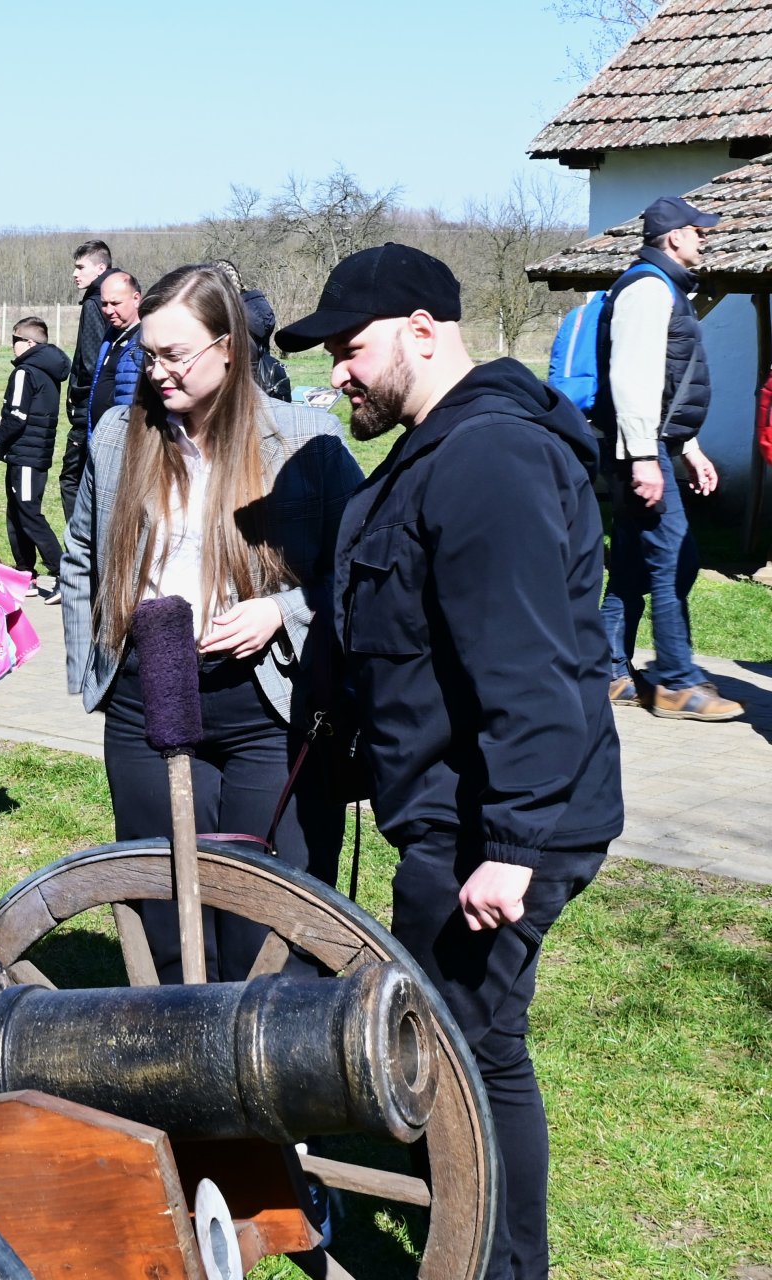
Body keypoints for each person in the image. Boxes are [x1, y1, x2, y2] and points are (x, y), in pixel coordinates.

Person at [277, 242, 623, 1280]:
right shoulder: (439, 449)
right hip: (454, 809)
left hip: (495, 822)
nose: (337, 372)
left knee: (472, 1051)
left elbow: (531, 668)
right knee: (466, 1038)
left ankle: (499, 1262)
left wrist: (510, 845)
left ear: (423, 331)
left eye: (351, 348)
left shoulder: (486, 460)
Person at [59, 264, 361, 982]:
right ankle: (174, 1040)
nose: (156, 372)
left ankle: (263, 1041)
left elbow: (363, 571)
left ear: (228, 348)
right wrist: (98, 670)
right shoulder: (118, 434)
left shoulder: (306, 440)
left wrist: (282, 611)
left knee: (261, 909)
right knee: (163, 899)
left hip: (265, 704)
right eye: (147, 355)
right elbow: (81, 555)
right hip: (148, 695)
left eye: (174, 355)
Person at [595, 195, 740, 721]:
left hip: (647, 444)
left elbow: (667, 386)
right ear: (674, 237)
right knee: (675, 557)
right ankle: (677, 682)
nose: (705, 237)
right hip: (636, 447)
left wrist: (689, 450)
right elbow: (632, 379)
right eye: (698, 231)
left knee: (634, 563)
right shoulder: (648, 289)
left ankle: (607, 671)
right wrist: (643, 458)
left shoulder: (665, 288)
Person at [0, 316, 70, 600]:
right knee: (16, 513)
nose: (11, 346)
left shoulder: (24, 372)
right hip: (31, 452)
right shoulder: (48, 371)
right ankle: (24, 573)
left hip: (26, 455)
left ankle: (64, 574)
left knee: (29, 514)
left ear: (29, 342)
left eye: (14, 340)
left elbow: (16, 417)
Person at [61, 240, 113, 521]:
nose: (75, 273)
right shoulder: (114, 298)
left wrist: (77, 397)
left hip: (90, 408)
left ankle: (79, 541)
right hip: (109, 404)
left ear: (101, 268)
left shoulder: (95, 303)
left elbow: (92, 362)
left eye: (81, 267)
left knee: (72, 480)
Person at [88, 271, 146, 432]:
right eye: (104, 303)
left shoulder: (145, 340)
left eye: (115, 303)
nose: (108, 310)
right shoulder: (111, 335)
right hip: (100, 436)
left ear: (136, 299)